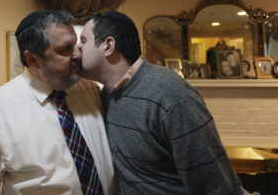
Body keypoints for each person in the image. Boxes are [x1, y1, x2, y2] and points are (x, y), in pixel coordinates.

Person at [77, 11, 243, 194]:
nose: (77, 50)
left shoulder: (169, 93)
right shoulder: (104, 96)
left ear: (108, 46)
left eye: (83, 41)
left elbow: (212, 181)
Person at [0, 11, 115, 195]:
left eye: (76, 44)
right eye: (65, 49)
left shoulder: (89, 89)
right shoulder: (0, 109)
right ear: (32, 59)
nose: (77, 54)